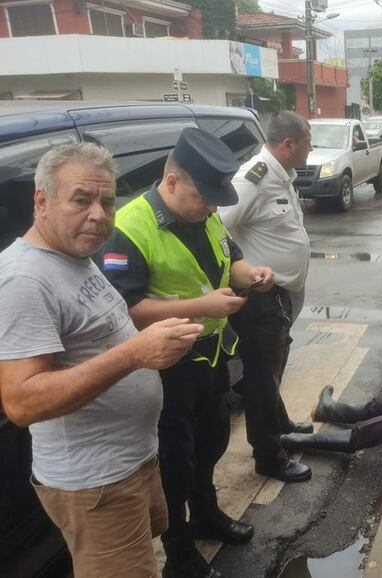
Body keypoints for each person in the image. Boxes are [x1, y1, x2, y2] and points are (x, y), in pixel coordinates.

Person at [0, 143, 204, 577]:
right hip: (96, 484)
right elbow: (22, 402)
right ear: (42, 200)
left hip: (131, 462)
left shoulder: (73, 254)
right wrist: (134, 355)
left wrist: (152, 348)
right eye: (81, 199)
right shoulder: (23, 280)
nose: (98, 214)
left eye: (107, 201)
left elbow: (98, 336)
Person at [99, 128, 273, 578]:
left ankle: (207, 516)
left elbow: (229, 255)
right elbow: (127, 310)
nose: (212, 207)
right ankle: (179, 550)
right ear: (172, 182)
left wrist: (251, 274)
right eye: (204, 196)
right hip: (166, 370)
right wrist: (204, 306)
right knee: (175, 460)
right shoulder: (129, 228)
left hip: (211, 358)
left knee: (212, 440)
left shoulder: (206, 213)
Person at [219, 111, 314, 484]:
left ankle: (280, 422)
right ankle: (269, 455)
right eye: (308, 142)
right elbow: (218, 224)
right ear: (288, 144)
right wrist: (244, 269)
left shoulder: (281, 175)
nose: (311, 148)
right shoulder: (253, 178)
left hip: (279, 297)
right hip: (259, 297)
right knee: (261, 377)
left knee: (275, 366)